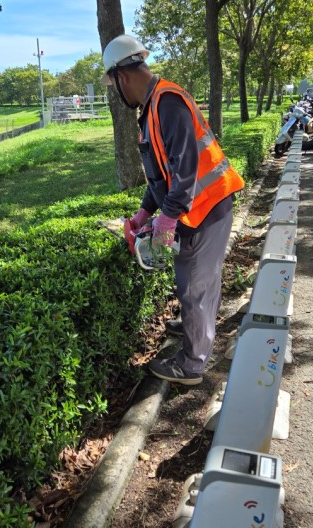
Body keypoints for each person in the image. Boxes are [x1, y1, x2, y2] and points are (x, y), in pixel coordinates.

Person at [101, 34, 245, 386]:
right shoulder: (153, 108)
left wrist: (167, 216)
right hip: (202, 205)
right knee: (197, 278)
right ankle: (197, 327)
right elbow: (161, 176)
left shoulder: (167, 102)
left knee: (196, 282)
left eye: (112, 85)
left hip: (207, 206)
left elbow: (186, 167)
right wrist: (143, 214)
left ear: (122, 77)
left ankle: (192, 364)